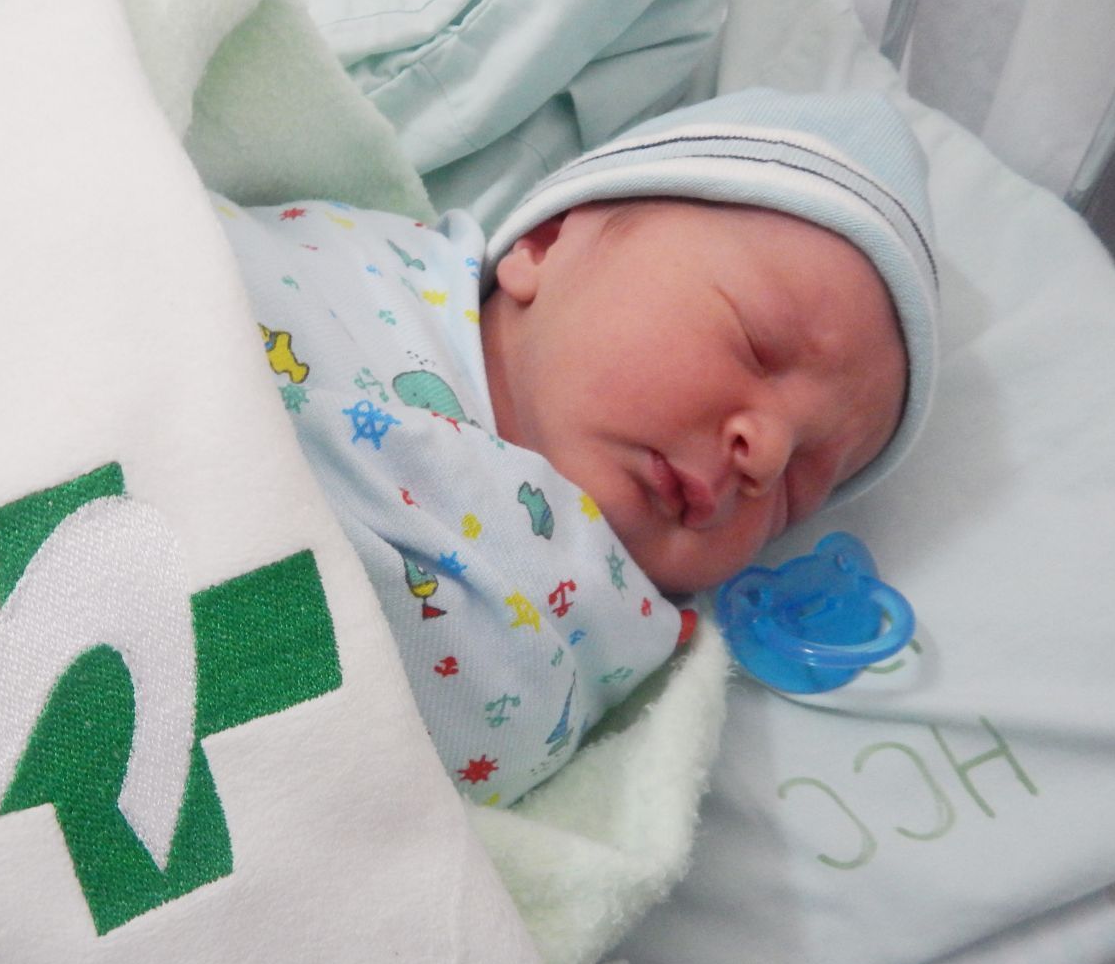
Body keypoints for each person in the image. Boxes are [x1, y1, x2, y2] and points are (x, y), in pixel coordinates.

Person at [212, 88, 939, 807]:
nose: (769, 456)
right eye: (757, 343)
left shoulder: (604, 641)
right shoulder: (346, 271)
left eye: (799, 490)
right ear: (545, 246)